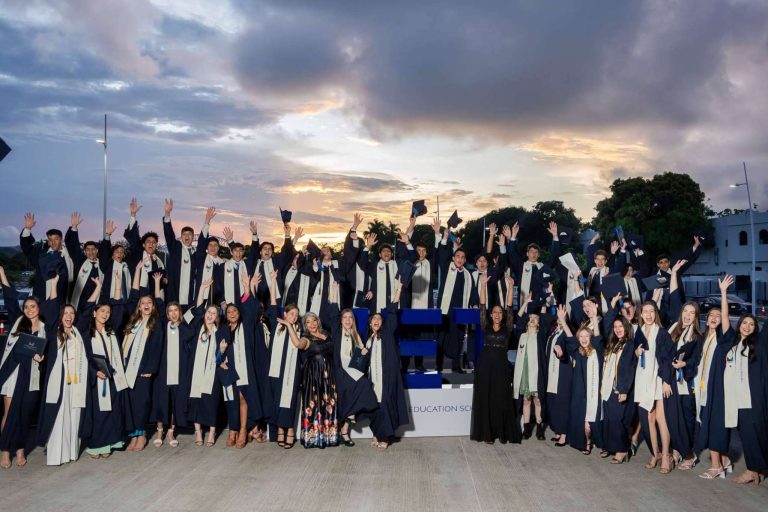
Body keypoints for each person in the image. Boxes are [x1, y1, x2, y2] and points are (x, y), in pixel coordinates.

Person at [36, 274, 94, 466]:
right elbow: (50, 306)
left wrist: (99, 287)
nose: (69, 317)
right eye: (65, 314)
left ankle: (70, 453)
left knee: (74, 416)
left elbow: (88, 309)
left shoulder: (77, 332)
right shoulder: (54, 331)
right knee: (59, 417)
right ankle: (55, 455)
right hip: (59, 382)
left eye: (71, 314)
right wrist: (53, 284)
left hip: (76, 382)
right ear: (61, 317)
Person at [0, 266, 47, 469]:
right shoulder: (17, 321)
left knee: (25, 415)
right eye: (26, 307)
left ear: (39, 309)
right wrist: (2, 273)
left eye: (33, 307)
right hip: (13, 373)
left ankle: (19, 449)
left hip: (31, 377)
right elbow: (10, 297)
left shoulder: (45, 329)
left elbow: (48, 353)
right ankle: (4, 450)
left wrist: (41, 357)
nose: (29, 310)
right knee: (9, 413)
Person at [81, 278, 130, 459]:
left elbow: (119, 308)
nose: (106, 314)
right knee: (99, 413)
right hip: (97, 376)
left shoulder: (111, 331)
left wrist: (117, 286)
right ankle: (96, 447)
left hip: (113, 376)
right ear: (94, 313)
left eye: (107, 312)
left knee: (112, 411)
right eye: (102, 311)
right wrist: (99, 287)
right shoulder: (87, 332)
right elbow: (85, 357)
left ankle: (109, 443)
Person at [470, 273, 521, 444]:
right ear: (491, 315)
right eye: (495, 312)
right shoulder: (485, 325)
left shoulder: (507, 328)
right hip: (485, 364)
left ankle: (501, 432)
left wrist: (511, 286)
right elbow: (483, 305)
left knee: (500, 398)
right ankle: (488, 434)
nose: (498, 314)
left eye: (500, 312)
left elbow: (509, 306)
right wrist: (483, 285)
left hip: (501, 365)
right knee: (486, 397)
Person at [121, 258, 164, 451]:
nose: (146, 304)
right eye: (143, 303)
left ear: (153, 307)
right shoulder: (133, 323)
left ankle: (143, 434)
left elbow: (157, 348)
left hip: (143, 371)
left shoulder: (155, 324)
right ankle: (133, 436)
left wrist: (150, 369)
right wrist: (137, 269)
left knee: (142, 403)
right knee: (130, 403)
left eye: (149, 302)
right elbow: (133, 295)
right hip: (128, 368)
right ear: (139, 307)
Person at [696, 275, 735, 480]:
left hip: (718, 388)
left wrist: (723, 293)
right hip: (704, 387)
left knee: (715, 425)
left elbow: (726, 319)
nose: (714, 318)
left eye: (718, 316)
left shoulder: (723, 338)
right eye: (711, 314)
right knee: (708, 423)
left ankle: (715, 466)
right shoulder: (705, 337)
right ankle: (725, 460)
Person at [151, 273, 195, 448]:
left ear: (180, 312)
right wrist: (156, 283)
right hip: (164, 371)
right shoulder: (162, 325)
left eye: (176, 310)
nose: (173, 313)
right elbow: (159, 303)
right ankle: (160, 430)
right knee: (162, 401)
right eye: (170, 311)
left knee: (176, 402)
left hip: (179, 372)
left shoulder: (185, 328)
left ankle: (171, 431)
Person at [364, 280, 408, 449]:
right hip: (372, 379)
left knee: (386, 405)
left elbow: (392, 310)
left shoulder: (387, 333)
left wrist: (398, 289)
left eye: (379, 319)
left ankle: (386, 437)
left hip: (387, 377)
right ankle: (376, 433)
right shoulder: (367, 339)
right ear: (369, 323)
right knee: (374, 407)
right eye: (373, 318)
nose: (376, 320)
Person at [634, 300, 676, 474]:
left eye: (652, 311)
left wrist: (666, 381)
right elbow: (636, 354)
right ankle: (655, 453)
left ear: (655, 313)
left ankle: (666, 455)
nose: (649, 315)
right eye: (645, 312)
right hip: (643, 379)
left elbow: (668, 359)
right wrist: (636, 352)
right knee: (649, 418)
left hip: (658, 379)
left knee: (661, 418)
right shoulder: (639, 331)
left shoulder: (662, 333)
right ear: (641, 314)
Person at [265, 271, 303, 448]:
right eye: (291, 313)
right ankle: (279, 429)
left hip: (291, 371)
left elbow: (298, 346)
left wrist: (290, 326)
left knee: (289, 400)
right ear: (285, 314)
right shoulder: (277, 325)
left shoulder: (300, 331)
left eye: (296, 315)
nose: (293, 317)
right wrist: (273, 282)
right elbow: (273, 304)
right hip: (274, 370)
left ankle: (289, 431)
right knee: (274, 400)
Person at [333, 304, 379, 447]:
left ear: (353, 320)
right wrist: (334, 293)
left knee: (364, 386)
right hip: (339, 371)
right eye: (345, 317)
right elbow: (333, 313)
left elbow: (360, 358)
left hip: (353, 371)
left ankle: (345, 429)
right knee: (349, 394)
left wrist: (363, 351)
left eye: (350, 318)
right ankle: (343, 428)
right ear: (340, 320)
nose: (347, 320)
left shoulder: (356, 334)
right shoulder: (336, 331)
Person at [187, 278, 223, 448]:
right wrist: (201, 289)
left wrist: (222, 351)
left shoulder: (220, 332)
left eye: (213, 313)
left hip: (212, 372)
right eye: (208, 312)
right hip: (195, 371)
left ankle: (213, 431)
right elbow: (198, 310)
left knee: (211, 400)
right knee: (196, 400)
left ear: (217, 317)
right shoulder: (196, 326)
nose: (209, 315)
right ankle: (198, 431)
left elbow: (222, 353)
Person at [562, 310, 604, 455]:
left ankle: (601, 443)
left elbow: (598, 338)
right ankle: (586, 442)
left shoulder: (597, 351)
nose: (584, 339)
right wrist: (562, 321)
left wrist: (594, 319)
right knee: (585, 424)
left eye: (587, 336)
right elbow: (569, 338)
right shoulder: (577, 352)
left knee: (596, 420)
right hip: (581, 393)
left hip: (596, 392)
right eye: (581, 336)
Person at [297, 309, 338, 449]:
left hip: (329, 374)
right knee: (314, 404)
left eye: (314, 320)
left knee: (329, 404)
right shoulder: (305, 337)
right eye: (308, 322)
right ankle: (314, 438)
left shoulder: (326, 333)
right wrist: (290, 326)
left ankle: (329, 437)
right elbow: (298, 344)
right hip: (313, 376)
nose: (312, 324)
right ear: (305, 325)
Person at [599, 315, 636, 463]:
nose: (618, 329)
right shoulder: (614, 343)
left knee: (618, 420)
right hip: (608, 388)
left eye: (620, 326)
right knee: (609, 419)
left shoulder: (630, 344)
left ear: (626, 327)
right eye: (615, 327)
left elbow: (628, 369)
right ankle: (611, 446)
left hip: (619, 389)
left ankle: (621, 450)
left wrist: (623, 390)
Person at [65, 212, 103, 312]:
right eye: (88, 249)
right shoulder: (80, 261)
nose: (91, 252)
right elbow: (73, 246)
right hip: (80, 303)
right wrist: (74, 228)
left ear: (97, 251)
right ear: (85, 252)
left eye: (93, 249)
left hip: (97, 303)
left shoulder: (102, 264)